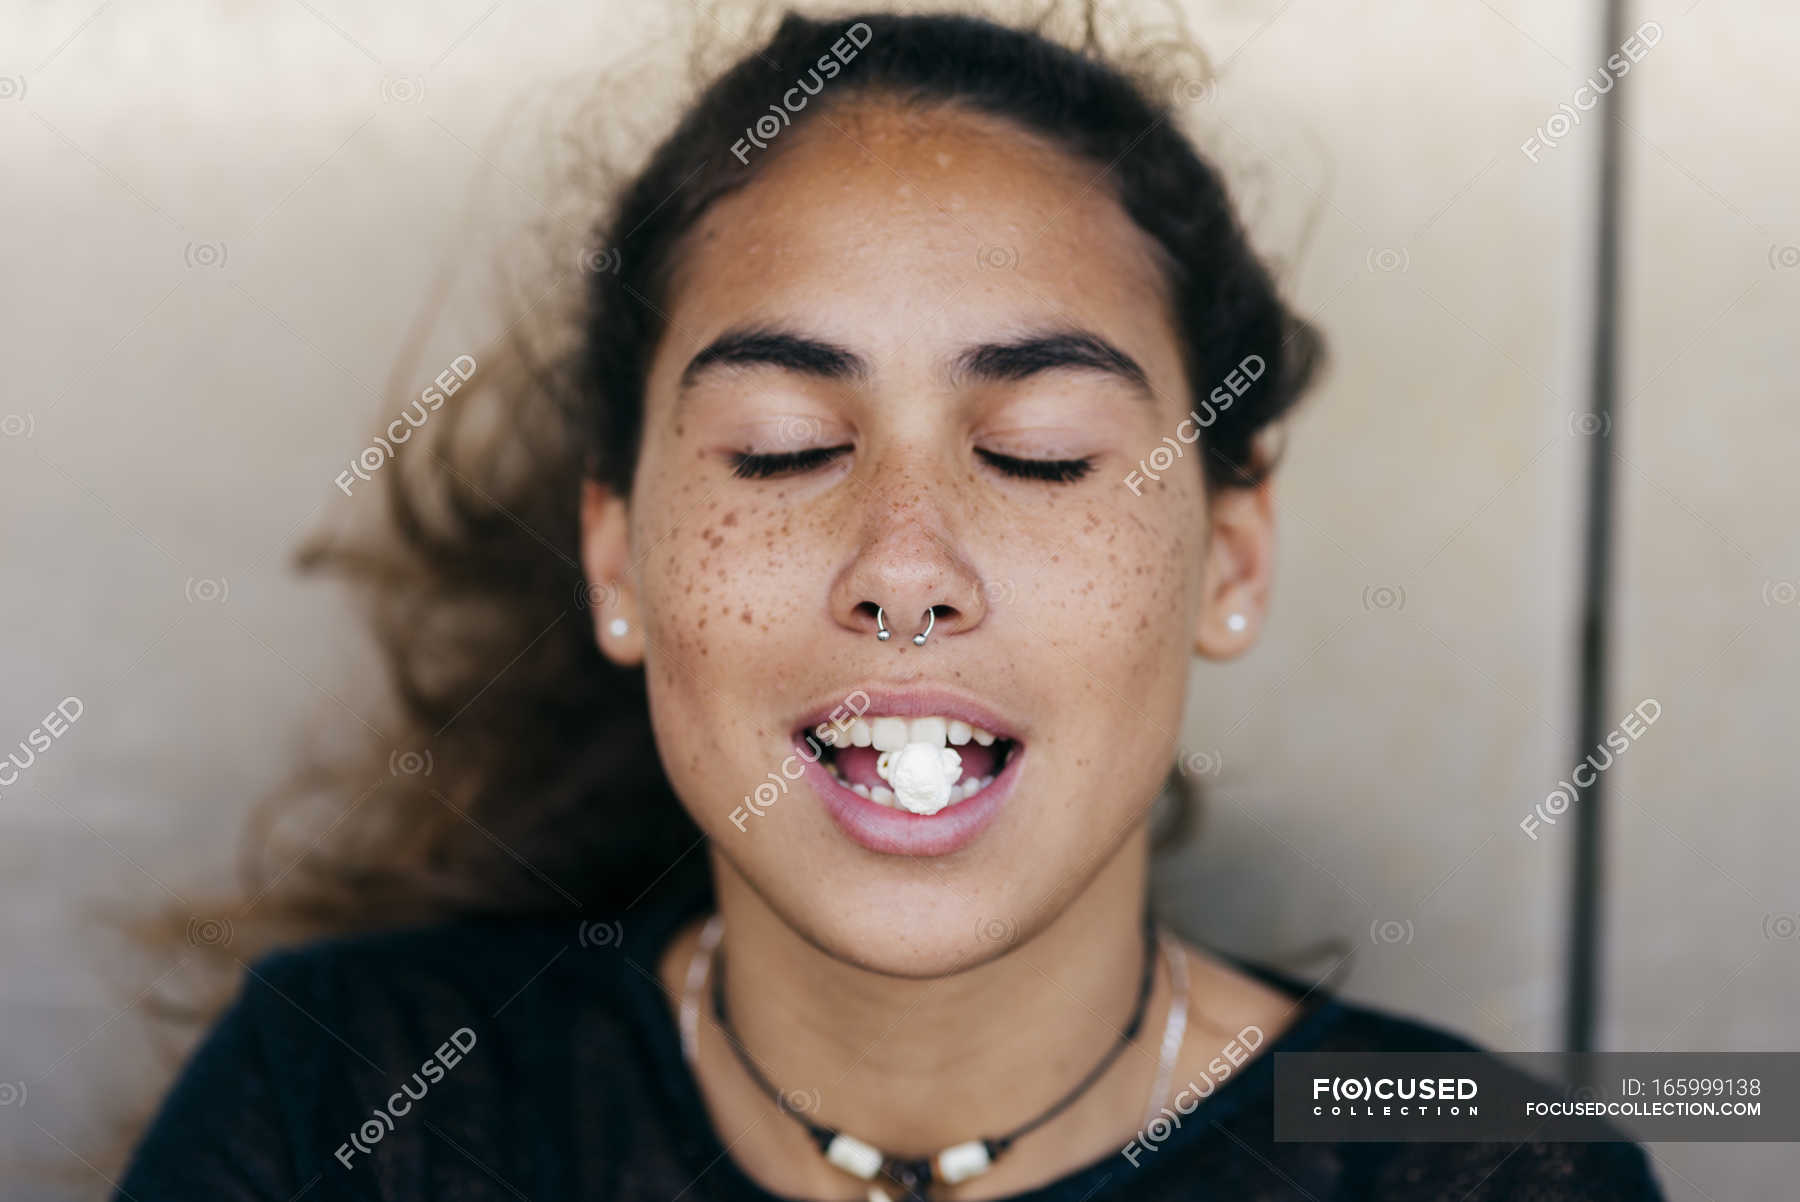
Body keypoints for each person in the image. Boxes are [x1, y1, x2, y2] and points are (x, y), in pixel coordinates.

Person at [114, 7, 1665, 1199]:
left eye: (1039, 455)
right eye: (784, 451)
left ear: (1233, 557)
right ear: (616, 559)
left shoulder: (1487, 1171)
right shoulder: (344, 1107)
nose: (906, 566)